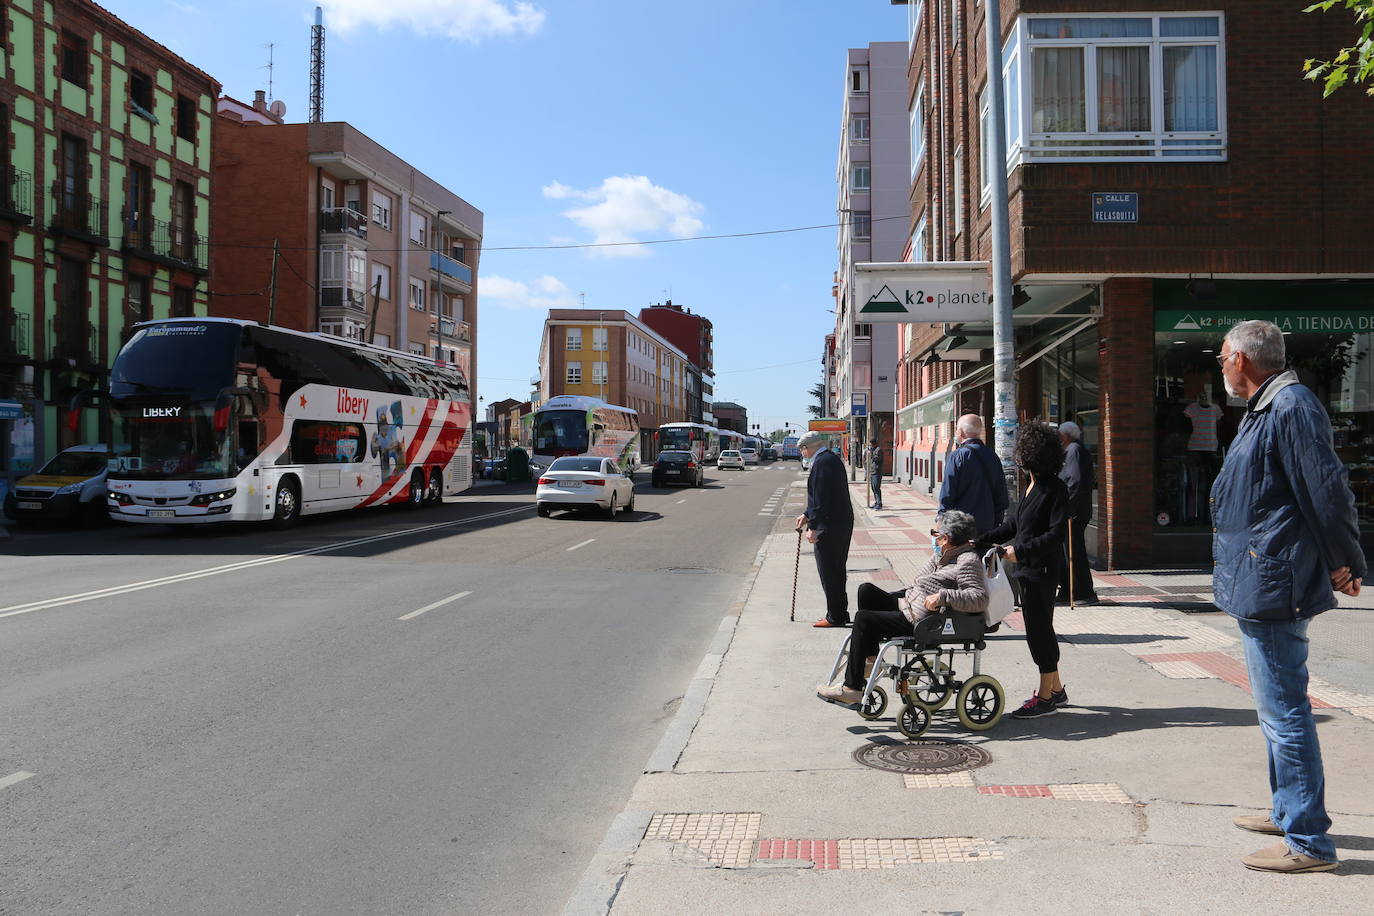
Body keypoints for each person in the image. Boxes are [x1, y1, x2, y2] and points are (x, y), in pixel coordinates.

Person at [1212, 320, 1364, 875]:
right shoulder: (1267, 407)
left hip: (1274, 579)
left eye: (1223, 355)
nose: (1220, 364)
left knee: (1285, 712)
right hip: (1261, 576)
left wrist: (1344, 559)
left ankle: (1308, 841)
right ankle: (1287, 812)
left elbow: (1326, 491)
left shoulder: (1291, 407)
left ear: (1245, 360)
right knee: (1275, 709)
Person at [816, 510, 988, 706]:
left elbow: (979, 598)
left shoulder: (967, 561)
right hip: (910, 606)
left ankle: (852, 688)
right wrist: (901, 595)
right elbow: (919, 584)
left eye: (935, 534)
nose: (933, 538)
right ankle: (871, 662)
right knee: (866, 591)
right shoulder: (942, 555)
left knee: (864, 618)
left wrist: (943, 597)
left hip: (923, 621)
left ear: (946, 538)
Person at [979, 422, 1070, 719]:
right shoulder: (1030, 483)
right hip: (1027, 569)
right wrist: (978, 540)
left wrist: (1021, 551)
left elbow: (1057, 535)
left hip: (1040, 569)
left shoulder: (1054, 488)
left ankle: (1045, 698)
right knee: (1042, 629)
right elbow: (1014, 525)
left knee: (1039, 632)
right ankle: (1056, 690)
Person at [795, 431, 854, 628]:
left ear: (807, 447)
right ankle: (840, 612)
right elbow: (822, 495)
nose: (801, 453)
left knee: (829, 571)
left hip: (830, 526)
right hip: (839, 523)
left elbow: (821, 499)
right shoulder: (829, 459)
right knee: (837, 569)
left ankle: (834, 616)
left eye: (801, 449)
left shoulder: (821, 463)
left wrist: (814, 527)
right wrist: (807, 514)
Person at [938, 414, 1009, 534]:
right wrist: (997, 520)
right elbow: (1001, 492)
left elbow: (948, 492)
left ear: (960, 432)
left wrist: (941, 518)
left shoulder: (957, 456)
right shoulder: (992, 455)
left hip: (961, 525)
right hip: (988, 523)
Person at [1057, 421, 1099, 605]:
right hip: (1074, 510)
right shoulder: (1072, 451)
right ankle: (1069, 589)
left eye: (1059, 435)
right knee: (1067, 551)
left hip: (1074, 512)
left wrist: (1068, 509)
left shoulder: (1074, 450)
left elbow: (1075, 482)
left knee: (1075, 552)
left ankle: (1083, 592)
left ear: (1065, 436)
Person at [864, 437, 883, 510]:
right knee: (873, 488)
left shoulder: (879, 450)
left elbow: (877, 459)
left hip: (877, 472)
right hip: (872, 471)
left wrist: (871, 454)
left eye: (871, 444)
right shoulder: (874, 449)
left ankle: (879, 503)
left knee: (876, 487)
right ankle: (876, 502)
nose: (870, 445)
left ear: (873, 443)